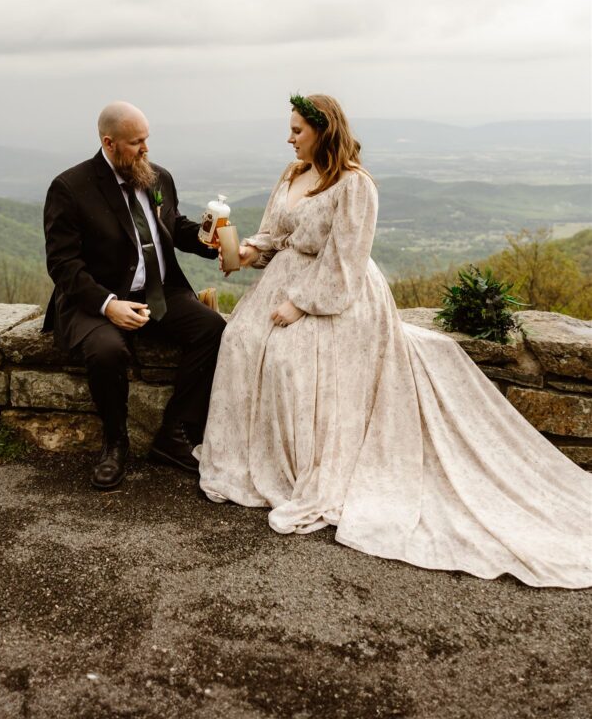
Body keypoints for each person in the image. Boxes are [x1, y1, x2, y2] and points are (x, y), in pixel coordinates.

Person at [198, 94, 592, 588]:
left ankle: (306, 465)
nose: (290, 137)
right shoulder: (290, 174)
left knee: (289, 358)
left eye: (298, 130)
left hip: (337, 294)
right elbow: (276, 235)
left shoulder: (354, 186)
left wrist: (301, 303)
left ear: (324, 131)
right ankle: (250, 457)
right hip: (282, 280)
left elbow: (346, 258)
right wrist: (246, 247)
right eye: (290, 129)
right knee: (239, 338)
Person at [43, 101, 225, 490]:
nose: (145, 149)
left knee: (212, 329)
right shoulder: (70, 188)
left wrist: (211, 241)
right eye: (135, 142)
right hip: (96, 299)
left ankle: (173, 434)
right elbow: (63, 265)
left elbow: (172, 225)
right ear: (109, 143)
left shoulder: (157, 177)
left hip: (159, 292)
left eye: (147, 140)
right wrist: (109, 305)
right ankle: (115, 443)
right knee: (108, 352)